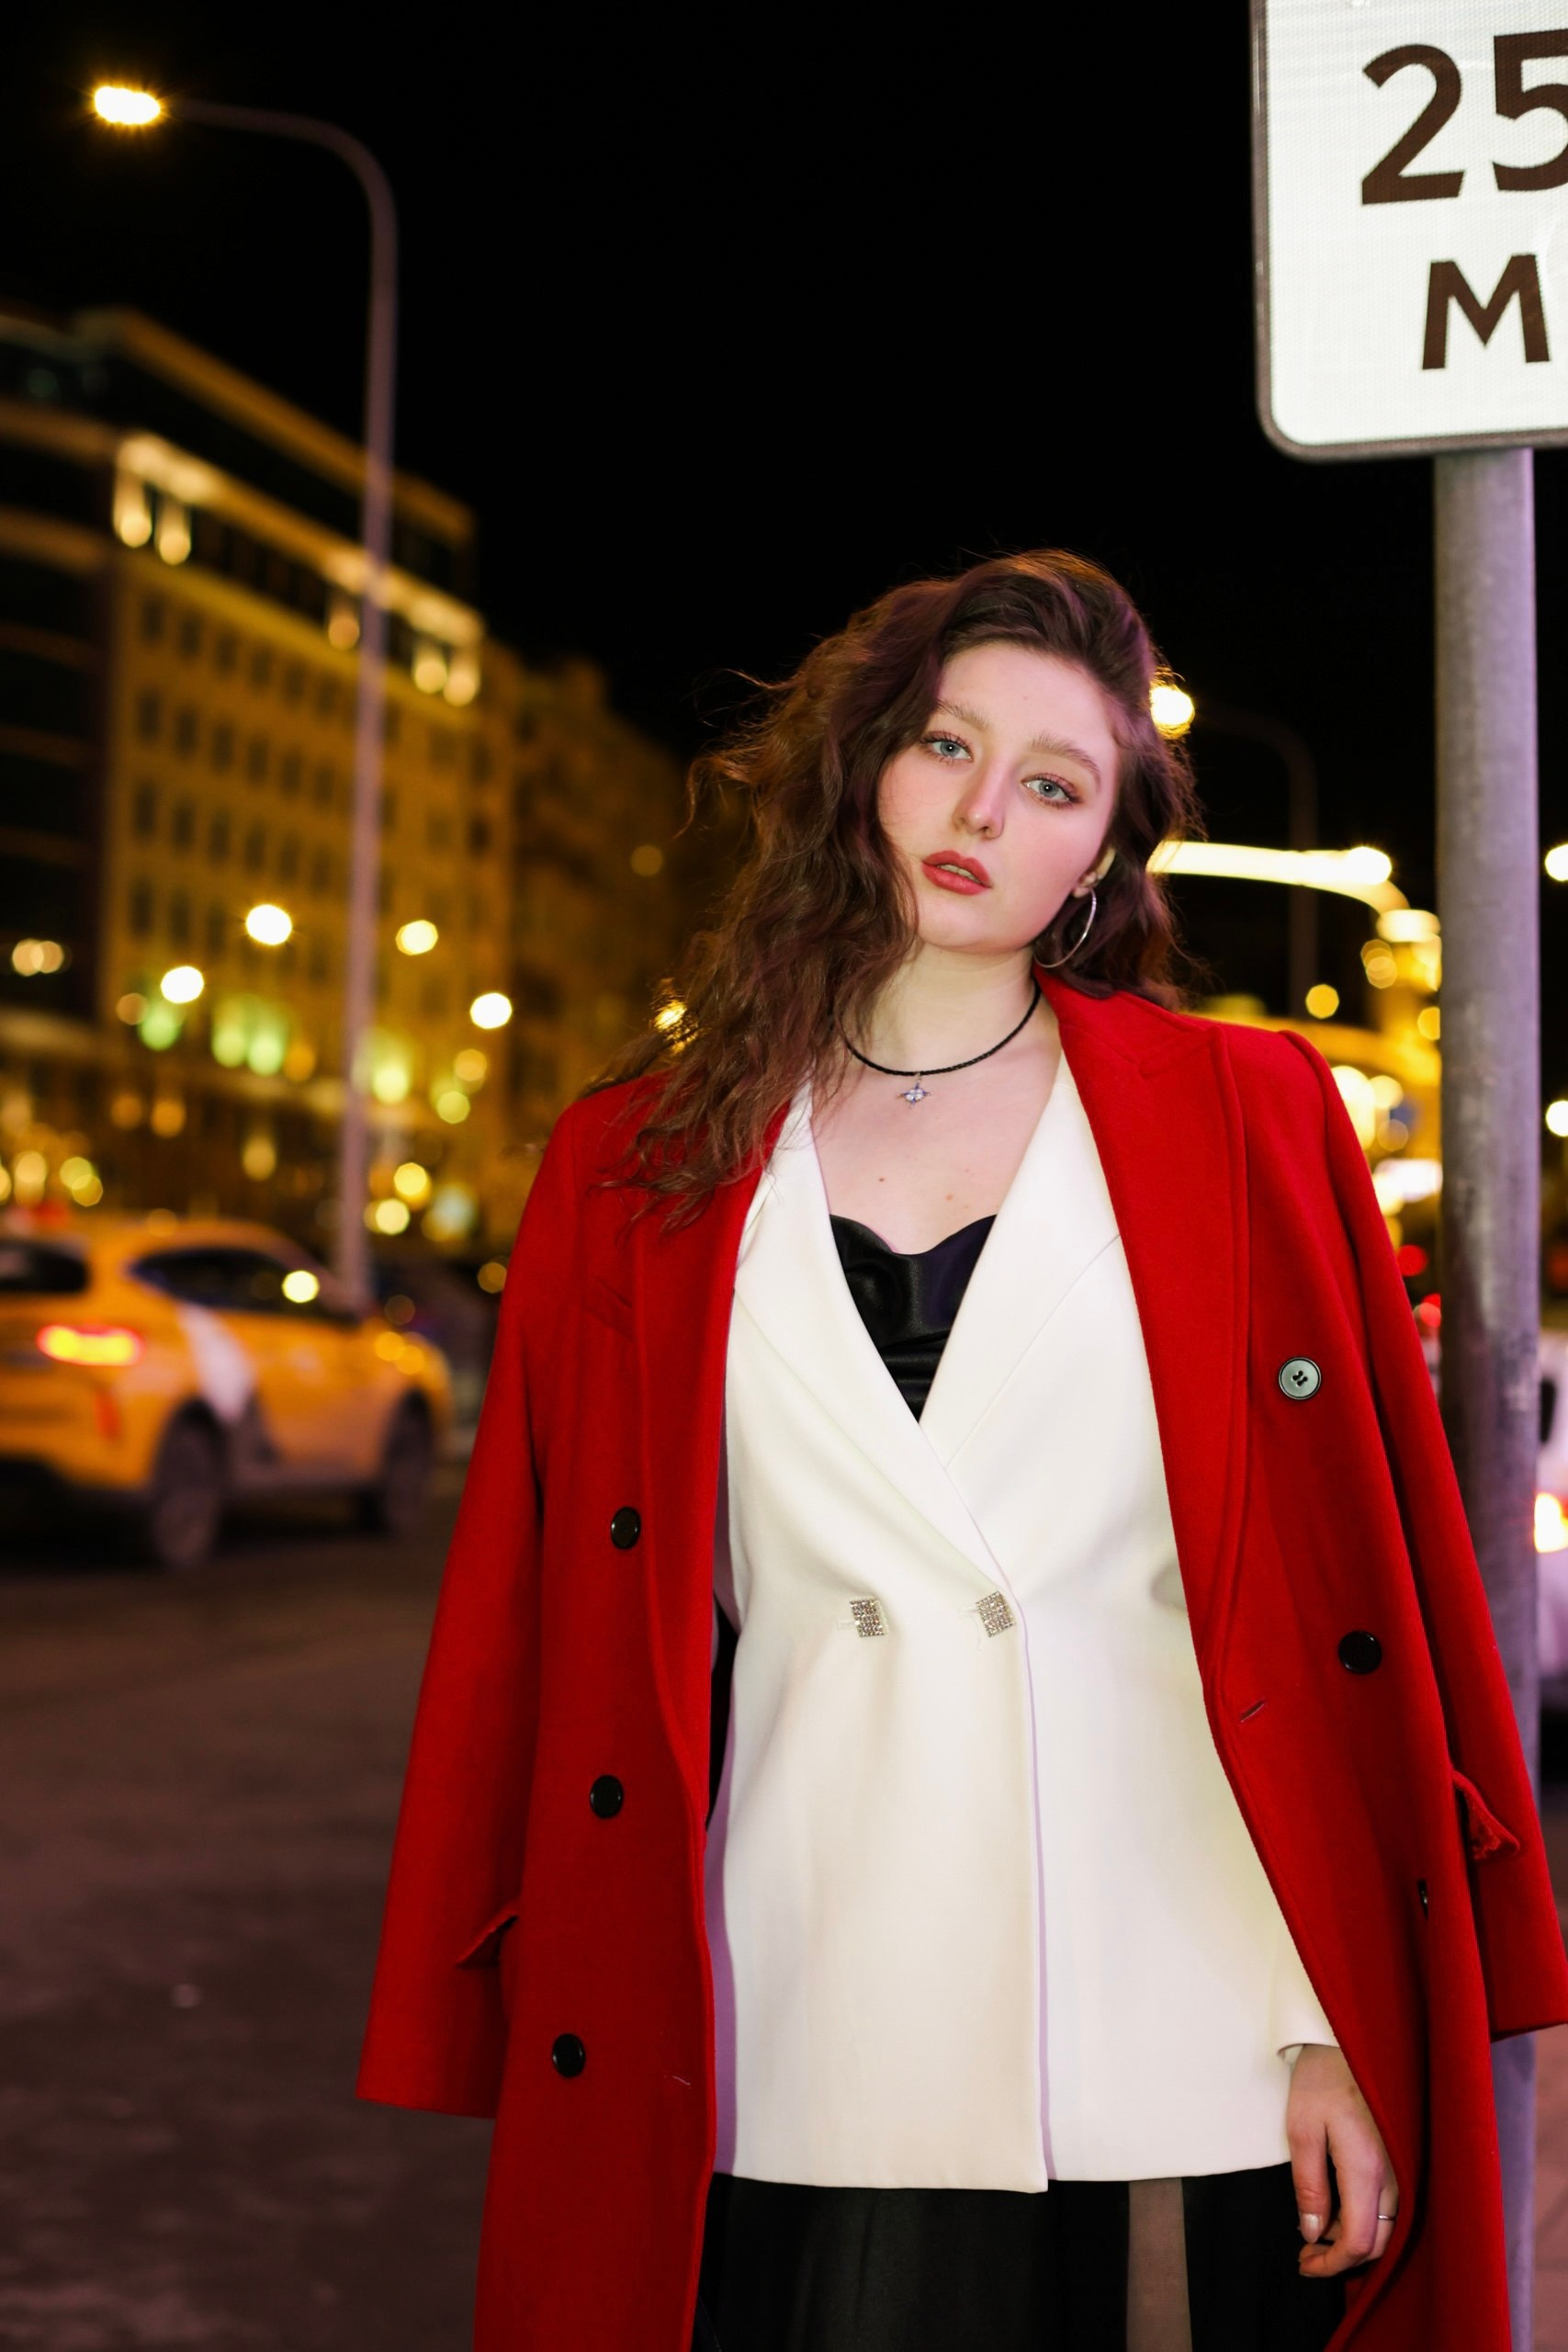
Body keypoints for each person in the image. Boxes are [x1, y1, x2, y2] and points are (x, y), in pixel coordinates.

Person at [357, 551, 1568, 2352]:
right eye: (945, 744)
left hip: (1189, 2008)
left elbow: (1348, 1614)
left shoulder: (1247, 1121)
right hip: (798, 1996)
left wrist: (1329, 2018)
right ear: (864, 764)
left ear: (1103, 855)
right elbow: (536, 1629)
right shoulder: (631, 1165)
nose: (982, 810)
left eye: (1053, 784)